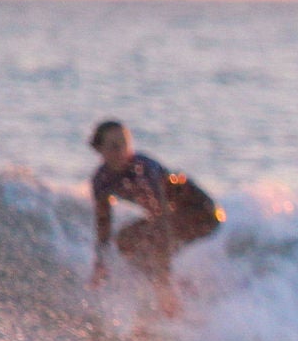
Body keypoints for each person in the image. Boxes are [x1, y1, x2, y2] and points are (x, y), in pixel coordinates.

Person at [87, 120, 224, 317]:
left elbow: (162, 224)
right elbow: (103, 226)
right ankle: (178, 290)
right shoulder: (101, 179)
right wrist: (99, 264)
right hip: (173, 216)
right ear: (100, 150)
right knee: (125, 241)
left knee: (150, 242)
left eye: (126, 144)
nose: (123, 151)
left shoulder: (143, 171)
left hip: (203, 214)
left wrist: (163, 280)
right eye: (114, 146)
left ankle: (171, 294)